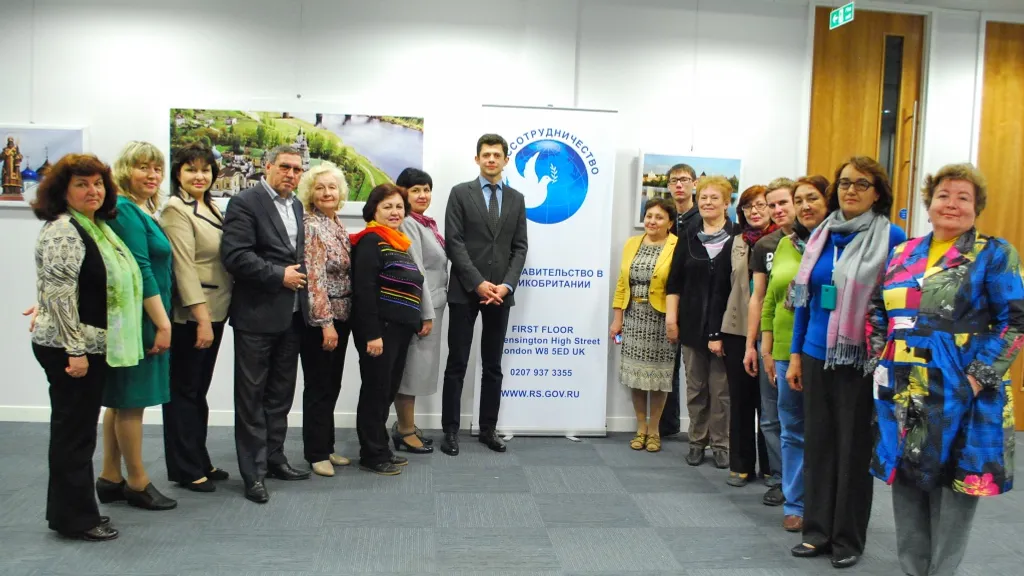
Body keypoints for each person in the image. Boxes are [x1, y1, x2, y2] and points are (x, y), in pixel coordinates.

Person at [866, 163, 1024, 576]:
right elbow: (878, 310)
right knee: (906, 481)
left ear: (976, 207)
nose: (951, 204)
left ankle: (942, 571)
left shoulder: (994, 253)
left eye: (963, 197)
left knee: (954, 486)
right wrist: (879, 359)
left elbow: (1015, 321)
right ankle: (912, 569)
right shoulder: (903, 253)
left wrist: (975, 379)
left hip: (963, 389)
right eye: (943, 195)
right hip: (903, 387)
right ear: (929, 203)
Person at [787, 156, 907, 569]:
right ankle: (816, 532)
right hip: (816, 354)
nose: (850, 190)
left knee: (853, 451)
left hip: (861, 360)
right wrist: (796, 355)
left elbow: (896, 304)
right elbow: (803, 301)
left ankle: (847, 539)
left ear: (878, 193)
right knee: (818, 446)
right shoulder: (820, 234)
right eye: (844, 183)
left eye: (861, 184)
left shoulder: (891, 236)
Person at [30, 153, 142, 540]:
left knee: (77, 433)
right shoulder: (64, 229)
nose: (92, 191)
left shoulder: (95, 227)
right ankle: (75, 520)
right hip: (70, 349)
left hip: (88, 345)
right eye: (81, 184)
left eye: (97, 184)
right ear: (63, 191)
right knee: (73, 436)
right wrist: (74, 351)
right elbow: (61, 297)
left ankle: (71, 512)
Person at [221, 145, 311, 504]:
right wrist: (278, 275)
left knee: (280, 395)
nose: (291, 174)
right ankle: (253, 473)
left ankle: (274, 458)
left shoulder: (297, 205)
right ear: (268, 166)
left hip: (291, 315)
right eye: (285, 167)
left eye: (297, 169)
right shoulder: (245, 202)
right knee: (251, 398)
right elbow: (235, 256)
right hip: (256, 315)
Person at [96, 141, 177, 511]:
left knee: (120, 398)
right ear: (124, 170)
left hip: (139, 314)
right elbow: (141, 270)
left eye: (157, 168)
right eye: (143, 167)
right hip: (142, 316)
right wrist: (163, 324)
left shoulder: (140, 210)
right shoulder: (126, 211)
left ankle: (110, 475)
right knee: (132, 402)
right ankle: (138, 481)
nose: (152, 175)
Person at [440, 134, 529, 456]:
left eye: (497, 155)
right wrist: (477, 282)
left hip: (500, 294)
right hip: (465, 291)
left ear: (506, 160)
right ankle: (450, 431)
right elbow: (454, 242)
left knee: (493, 365)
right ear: (477, 159)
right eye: (486, 154)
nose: (491, 159)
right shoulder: (460, 193)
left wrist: (506, 285)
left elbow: (520, 247)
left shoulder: (517, 199)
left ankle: (488, 429)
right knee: (457, 363)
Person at [160, 143, 233, 493]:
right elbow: (184, 267)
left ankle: (199, 459)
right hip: (193, 314)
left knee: (197, 389)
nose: (199, 176)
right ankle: (185, 468)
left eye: (205, 169)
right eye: (191, 169)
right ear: (178, 173)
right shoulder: (176, 209)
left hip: (216, 308)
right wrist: (201, 318)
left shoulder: (211, 206)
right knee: (184, 391)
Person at [761, 175, 830, 532]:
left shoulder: (834, 244)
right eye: (797, 200)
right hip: (785, 350)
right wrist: (766, 347)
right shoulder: (785, 245)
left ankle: (823, 503)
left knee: (824, 431)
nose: (802, 207)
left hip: (823, 349)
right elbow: (771, 299)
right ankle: (795, 503)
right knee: (792, 430)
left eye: (809, 199)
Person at [349, 184, 425, 475]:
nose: (395, 212)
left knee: (386, 392)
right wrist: (372, 334)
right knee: (375, 392)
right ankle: (371, 454)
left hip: (399, 330)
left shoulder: (396, 241)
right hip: (380, 330)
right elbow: (364, 291)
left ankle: (380, 446)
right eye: (388, 207)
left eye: (399, 207)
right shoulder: (371, 240)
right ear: (374, 210)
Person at [666, 175, 737, 468]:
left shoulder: (738, 237)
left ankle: (721, 444)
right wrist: (672, 320)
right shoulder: (688, 236)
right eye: (703, 198)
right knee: (696, 388)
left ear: (726, 203)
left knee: (722, 391)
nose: (707, 203)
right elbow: (674, 282)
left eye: (714, 198)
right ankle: (697, 441)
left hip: (727, 328)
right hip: (692, 325)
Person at [297, 161, 353, 477]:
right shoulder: (312, 226)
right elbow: (314, 278)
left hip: (342, 317)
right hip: (322, 321)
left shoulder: (336, 223)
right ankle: (316, 452)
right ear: (310, 193)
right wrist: (326, 323)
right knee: (318, 386)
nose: (327, 192)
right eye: (320, 188)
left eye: (332, 187)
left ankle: (327, 445)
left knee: (332, 384)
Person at [611, 198, 678, 452]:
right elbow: (622, 282)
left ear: (670, 222)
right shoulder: (631, 244)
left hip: (662, 319)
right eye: (649, 216)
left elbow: (678, 286)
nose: (652, 221)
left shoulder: (676, 246)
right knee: (636, 376)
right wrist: (617, 318)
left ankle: (654, 430)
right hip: (633, 316)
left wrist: (674, 320)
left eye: (659, 217)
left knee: (659, 378)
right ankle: (641, 428)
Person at [719, 185, 776, 486]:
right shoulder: (736, 242)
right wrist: (715, 333)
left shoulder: (785, 242)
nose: (755, 211)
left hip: (772, 333)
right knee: (741, 400)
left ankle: (771, 467)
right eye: (748, 206)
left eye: (761, 205)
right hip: (737, 330)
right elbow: (720, 287)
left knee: (769, 406)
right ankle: (741, 464)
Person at [746, 177, 795, 504]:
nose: (777, 210)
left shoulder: (819, 241)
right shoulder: (766, 245)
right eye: (772, 204)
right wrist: (752, 345)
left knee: (798, 420)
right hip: (770, 342)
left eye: (783, 203)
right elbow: (759, 298)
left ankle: (801, 482)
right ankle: (779, 478)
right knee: (770, 417)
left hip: (803, 344)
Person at [395, 167, 447, 454]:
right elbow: (417, 272)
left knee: (417, 369)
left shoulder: (424, 223)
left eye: (426, 189)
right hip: (421, 309)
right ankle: (404, 431)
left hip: (432, 305)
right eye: (415, 190)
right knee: (411, 371)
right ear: (403, 193)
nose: (423, 195)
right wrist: (425, 313)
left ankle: (407, 424)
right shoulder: (407, 223)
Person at [662, 163, 700, 437]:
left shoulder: (702, 219)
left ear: (694, 184)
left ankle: (700, 432)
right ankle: (668, 424)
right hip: (668, 299)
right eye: (674, 180)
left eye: (684, 180)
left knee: (697, 372)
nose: (679, 185)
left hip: (695, 300)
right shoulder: (667, 218)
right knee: (668, 365)